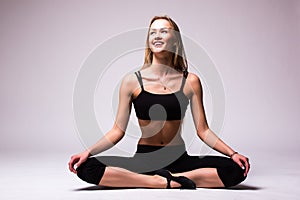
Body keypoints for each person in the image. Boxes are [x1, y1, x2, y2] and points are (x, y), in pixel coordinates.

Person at [68, 15, 250, 189]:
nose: (157, 36)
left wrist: (232, 153)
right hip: (143, 160)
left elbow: (203, 131)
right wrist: (88, 152)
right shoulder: (132, 81)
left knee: (235, 170)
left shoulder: (190, 81)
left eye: (164, 31)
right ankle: (161, 182)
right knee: (87, 168)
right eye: (153, 32)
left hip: (179, 159)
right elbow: (117, 131)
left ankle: (169, 178)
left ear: (175, 40)